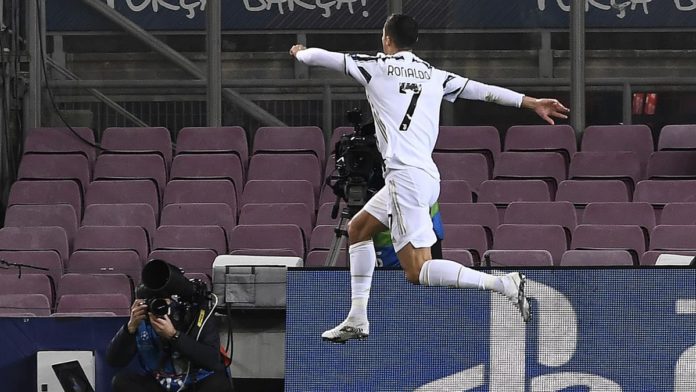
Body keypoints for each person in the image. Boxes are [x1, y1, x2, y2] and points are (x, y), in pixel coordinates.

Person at [290, 14, 570, 343]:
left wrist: (298, 52)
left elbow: (320, 57)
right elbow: (483, 92)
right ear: (414, 42)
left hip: (405, 178)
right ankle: (357, 316)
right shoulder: (434, 75)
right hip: (423, 176)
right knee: (359, 230)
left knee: (417, 271)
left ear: (386, 40)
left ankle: (502, 284)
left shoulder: (374, 67)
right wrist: (531, 102)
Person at [106, 286, 233, 392]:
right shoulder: (140, 321)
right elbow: (114, 361)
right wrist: (130, 328)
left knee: (219, 385)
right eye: (151, 303)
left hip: (196, 382)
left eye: (163, 303)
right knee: (121, 381)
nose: (158, 308)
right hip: (159, 383)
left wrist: (174, 336)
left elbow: (212, 360)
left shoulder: (192, 315)